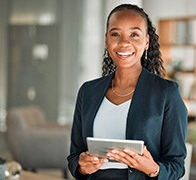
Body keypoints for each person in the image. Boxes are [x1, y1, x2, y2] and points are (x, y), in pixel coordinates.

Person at [67, 3, 188, 180]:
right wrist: (83, 166)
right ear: (106, 40)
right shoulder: (88, 92)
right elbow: (74, 157)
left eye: (134, 34)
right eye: (115, 34)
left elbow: (176, 166)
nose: (124, 42)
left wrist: (152, 168)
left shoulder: (166, 93)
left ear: (146, 42)